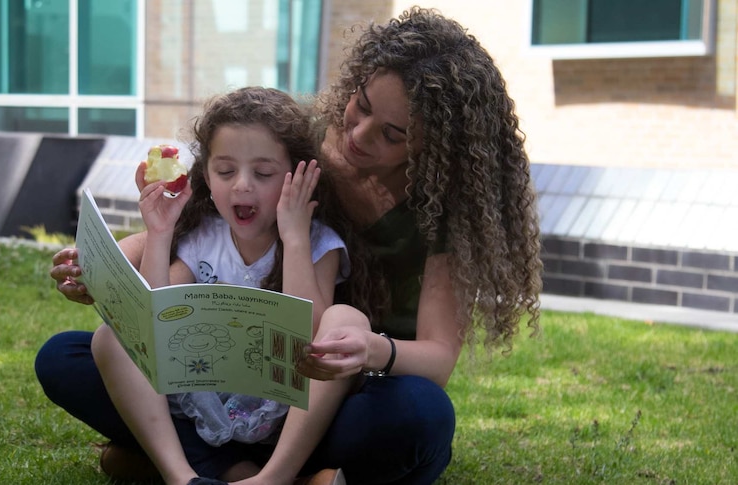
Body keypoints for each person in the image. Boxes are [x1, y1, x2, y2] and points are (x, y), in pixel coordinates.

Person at [37, 7, 542, 485]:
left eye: (392, 134)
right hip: (219, 383)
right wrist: (103, 268)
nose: (359, 135)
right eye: (360, 106)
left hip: (332, 393)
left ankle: (209, 464)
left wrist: (368, 349)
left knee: (420, 415)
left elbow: (436, 360)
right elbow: (202, 228)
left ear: (432, 145)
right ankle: (249, 471)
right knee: (67, 357)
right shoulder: (300, 144)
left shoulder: (442, 213)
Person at [89, 85, 377, 485]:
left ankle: (273, 478)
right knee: (108, 338)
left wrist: (294, 236)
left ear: (298, 177)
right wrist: (160, 231)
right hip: (204, 400)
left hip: (284, 411)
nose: (242, 185)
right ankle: (182, 477)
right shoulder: (204, 235)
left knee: (345, 317)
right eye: (226, 171)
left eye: (262, 173)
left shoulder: (317, 243)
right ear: (205, 175)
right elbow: (158, 318)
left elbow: (310, 331)